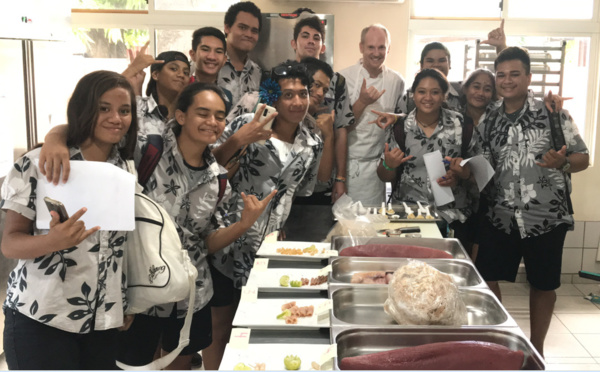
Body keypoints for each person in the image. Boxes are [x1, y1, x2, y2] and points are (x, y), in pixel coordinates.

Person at [1, 70, 137, 370]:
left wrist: (124, 301)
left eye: (124, 110)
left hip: (103, 319)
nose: (116, 118)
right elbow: (9, 244)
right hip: (42, 315)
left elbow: (119, 247)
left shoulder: (126, 167)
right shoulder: (37, 164)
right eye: (104, 108)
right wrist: (52, 242)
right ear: (83, 108)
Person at [204, 61, 323, 369]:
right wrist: (238, 141)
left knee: (257, 324)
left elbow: (300, 190)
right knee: (220, 326)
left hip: (268, 245)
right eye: (288, 95)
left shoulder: (312, 142)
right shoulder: (247, 122)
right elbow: (205, 167)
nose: (297, 102)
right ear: (273, 97)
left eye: (303, 93)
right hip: (227, 236)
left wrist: (281, 225)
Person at [475, 47, 589, 357]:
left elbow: (583, 157)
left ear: (528, 77)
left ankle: (536, 349)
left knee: (543, 284)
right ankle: (503, 340)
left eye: (514, 74)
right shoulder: (489, 118)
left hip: (546, 216)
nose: (507, 80)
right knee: (487, 277)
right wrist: (460, 171)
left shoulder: (553, 113)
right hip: (501, 214)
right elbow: (483, 164)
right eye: (501, 75)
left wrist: (561, 163)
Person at [374, 68, 475, 234]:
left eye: (435, 92)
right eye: (421, 92)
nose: (428, 98)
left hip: (452, 215)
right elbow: (383, 175)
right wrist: (389, 165)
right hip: (410, 214)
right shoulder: (400, 127)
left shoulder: (461, 124)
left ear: (444, 95)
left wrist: (461, 174)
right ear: (413, 94)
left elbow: (476, 170)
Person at [339, 24, 405, 206]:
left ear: (388, 48)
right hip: (347, 165)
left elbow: (406, 117)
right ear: (361, 47)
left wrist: (395, 116)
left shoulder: (396, 81)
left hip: (379, 168)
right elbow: (338, 128)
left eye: (381, 47)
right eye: (371, 47)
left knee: (374, 225)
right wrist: (362, 102)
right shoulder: (342, 78)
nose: (376, 53)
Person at [291, 15, 352, 204]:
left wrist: (340, 178)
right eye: (305, 36)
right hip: (287, 176)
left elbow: (341, 130)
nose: (311, 41)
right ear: (294, 43)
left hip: (322, 175)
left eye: (316, 37)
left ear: (323, 46)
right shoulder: (282, 76)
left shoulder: (337, 81)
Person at [453, 68, 497, 259]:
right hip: (460, 195)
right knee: (461, 251)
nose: (480, 93)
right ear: (465, 88)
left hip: (490, 197)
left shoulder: (498, 117)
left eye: (487, 89)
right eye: (476, 86)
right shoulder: (454, 117)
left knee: (482, 258)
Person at [218, 1, 263, 105]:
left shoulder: (257, 72)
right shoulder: (211, 64)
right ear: (227, 28)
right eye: (242, 27)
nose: (249, 34)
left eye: (254, 31)